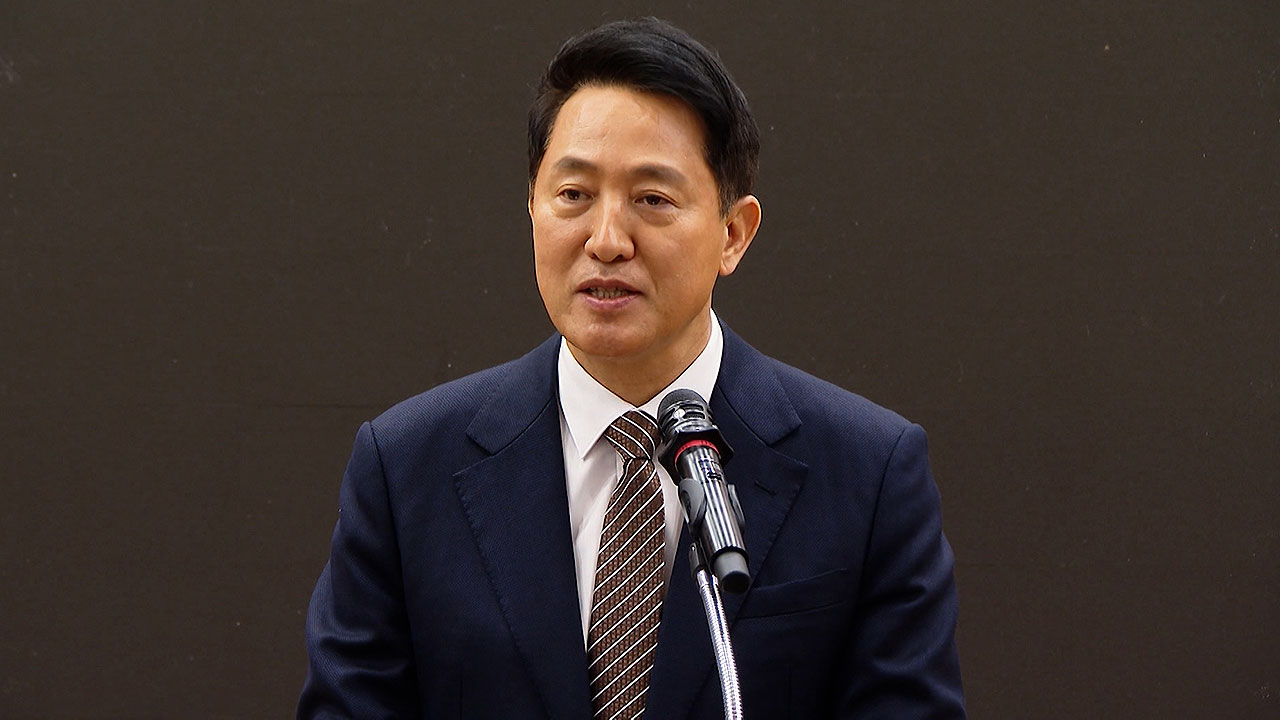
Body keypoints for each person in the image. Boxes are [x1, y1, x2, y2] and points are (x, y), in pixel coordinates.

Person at [299, 17, 964, 719]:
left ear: (733, 233)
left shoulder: (867, 473)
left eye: (652, 199)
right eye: (573, 195)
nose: (608, 240)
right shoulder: (407, 468)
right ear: (532, 209)